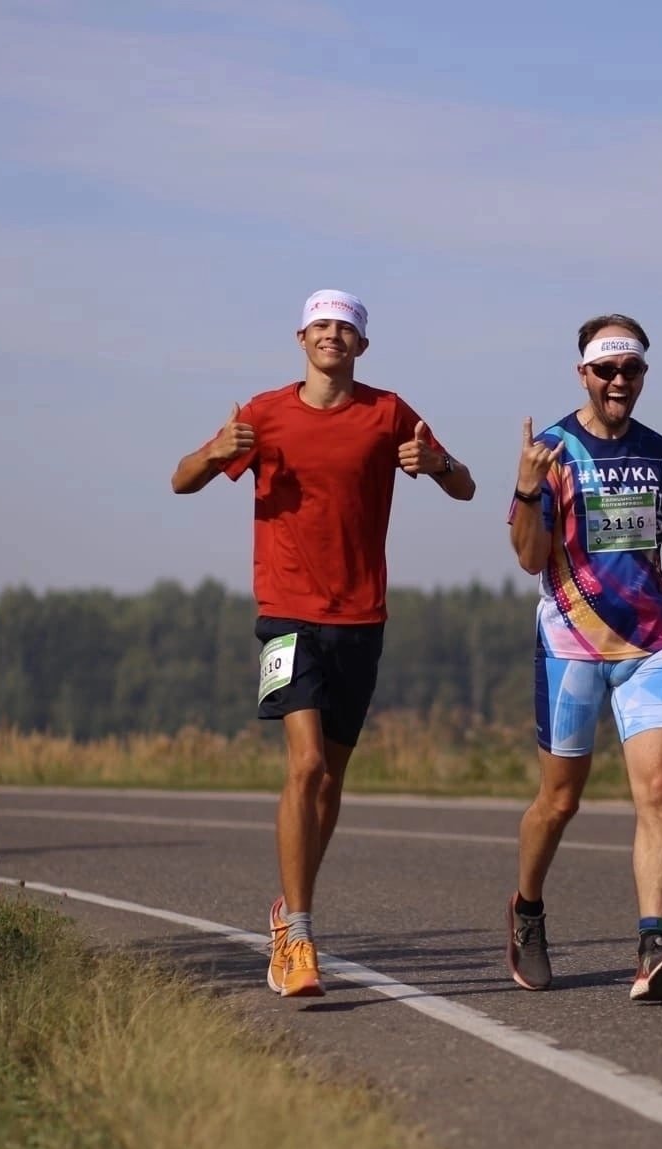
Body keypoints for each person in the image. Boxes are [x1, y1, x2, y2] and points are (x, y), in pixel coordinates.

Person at [171, 288, 475, 998]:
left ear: (361, 345)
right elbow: (181, 480)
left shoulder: (388, 413)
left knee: (332, 780)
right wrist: (215, 452)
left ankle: (289, 905)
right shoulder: (263, 413)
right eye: (321, 326)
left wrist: (435, 464)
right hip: (286, 615)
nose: (332, 335)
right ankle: (299, 936)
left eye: (345, 328)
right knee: (305, 765)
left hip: (361, 619)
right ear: (301, 339)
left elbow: (464, 487)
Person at [504, 315, 662, 1003]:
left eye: (631, 369)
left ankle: (653, 945)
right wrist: (527, 490)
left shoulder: (659, 453)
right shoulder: (553, 450)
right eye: (606, 369)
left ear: (643, 375)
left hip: (649, 647)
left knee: (657, 791)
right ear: (584, 375)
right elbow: (529, 558)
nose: (619, 380)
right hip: (571, 648)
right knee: (559, 801)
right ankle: (527, 909)